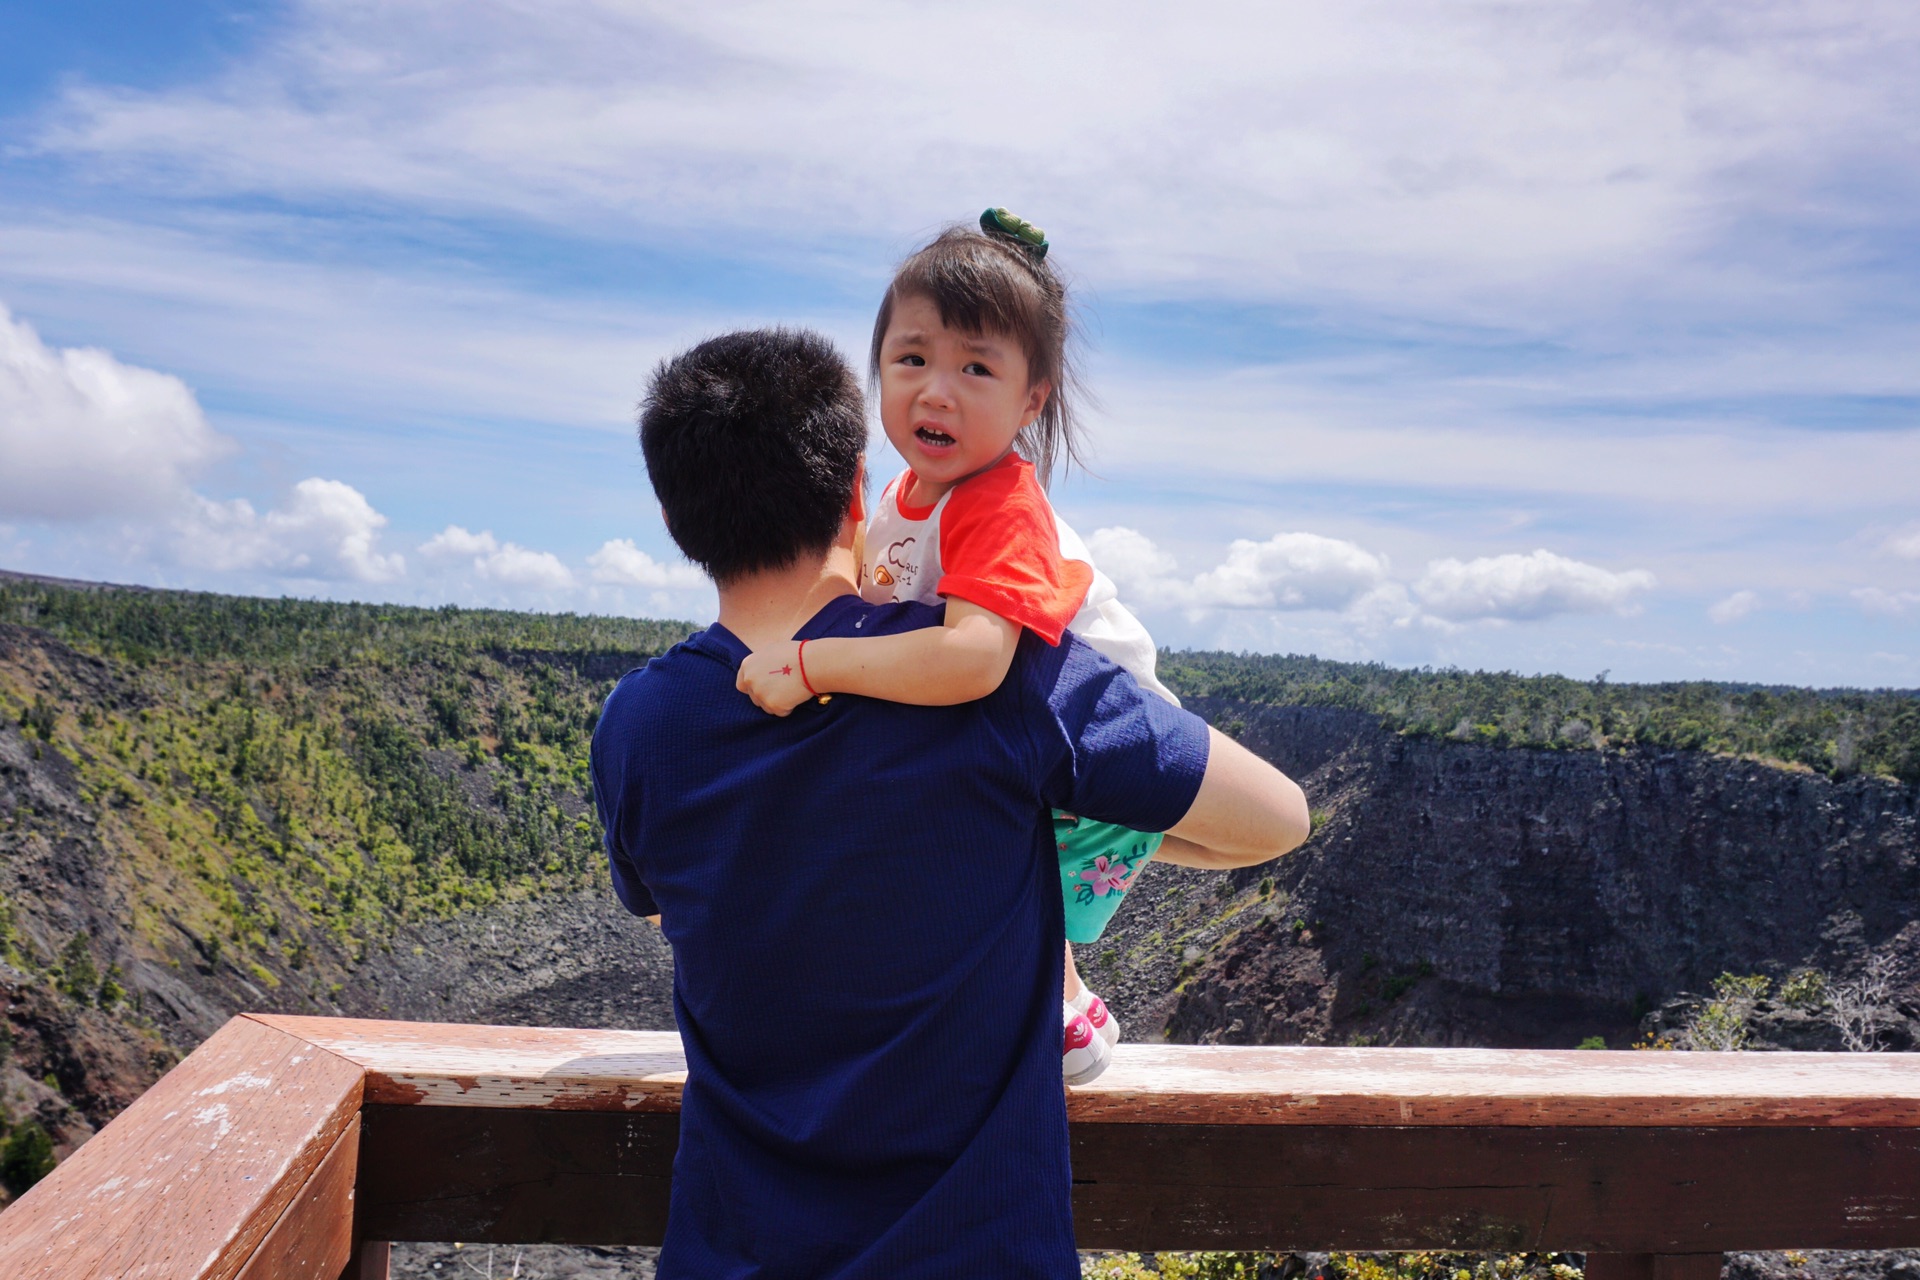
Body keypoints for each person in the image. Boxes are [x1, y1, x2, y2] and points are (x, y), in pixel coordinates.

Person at [591, 326, 1309, 1279]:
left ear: (681, 520)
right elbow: (1277, 820)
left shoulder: (639, 726)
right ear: (856, 490)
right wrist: (1041, 822)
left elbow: (662, 897)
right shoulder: (1000, 682)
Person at [737, 210, 1173, 1083]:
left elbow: (973, 658)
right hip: (1038, 737)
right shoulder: (906, 491)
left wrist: (812, 666)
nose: (937, 390)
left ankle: (1056, 1008)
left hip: (1104, 757)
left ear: (1031, 401)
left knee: (959, 837)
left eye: (977, 367)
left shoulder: (999, 503)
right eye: (913, 360)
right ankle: (1044, 997)